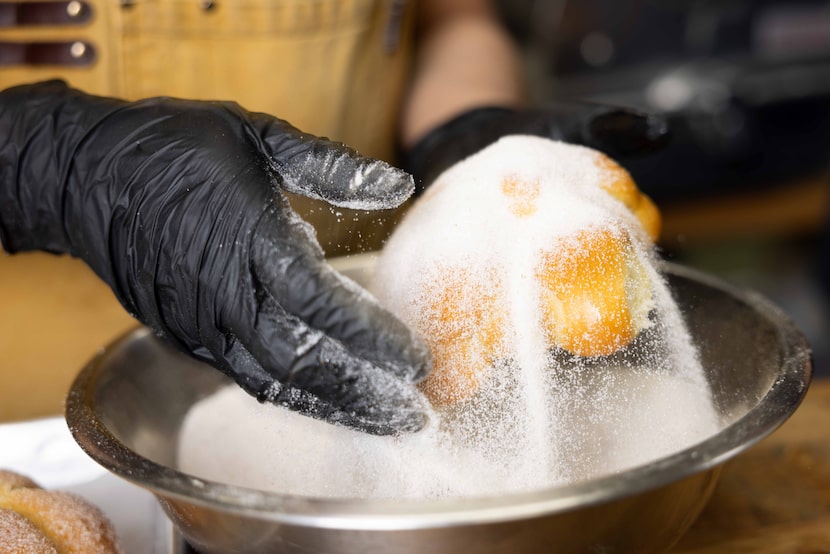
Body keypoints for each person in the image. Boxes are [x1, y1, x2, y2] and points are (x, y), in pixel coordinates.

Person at [0, 0, 666, 434]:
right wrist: (50, 159)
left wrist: (464, 123)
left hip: (366, 349)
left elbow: (454, 21)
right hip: (31, 428)